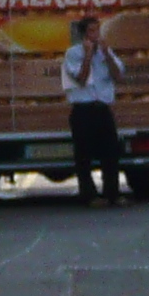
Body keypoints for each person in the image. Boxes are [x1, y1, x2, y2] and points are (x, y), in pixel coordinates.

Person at [61, 15, 127, 205]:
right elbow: (81, 78)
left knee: (111, 152)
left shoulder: (106, 53)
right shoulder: (73, 54)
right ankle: (88, 194)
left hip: (102, 108)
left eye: (98, 30)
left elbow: (118, 76)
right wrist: (88, 55)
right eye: (91, 31)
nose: (96, 35)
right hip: (83, 109)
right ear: (83, 35)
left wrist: (106, 55)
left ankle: (112, 193)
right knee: (83, 155)